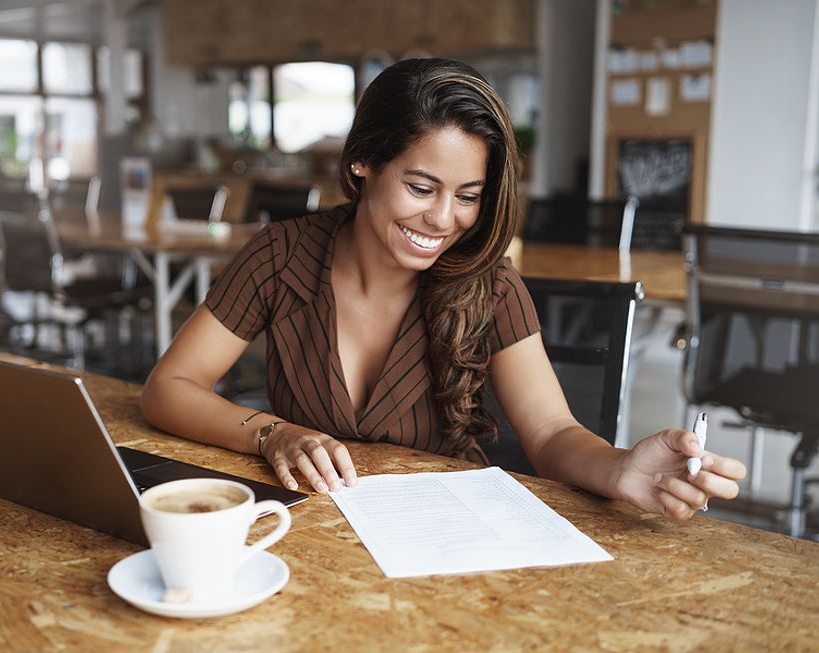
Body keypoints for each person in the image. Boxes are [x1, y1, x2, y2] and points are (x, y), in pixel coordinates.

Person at [141, 58, 745, 519]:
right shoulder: (281, 256)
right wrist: (272, 432)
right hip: (307, 530)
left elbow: (552, 433)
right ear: (364, 164)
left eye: (468, 196)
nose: (442, 220)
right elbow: (169, 388)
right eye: (422, 187)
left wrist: (620, 469)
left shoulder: (491, 287)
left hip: (435, 538)